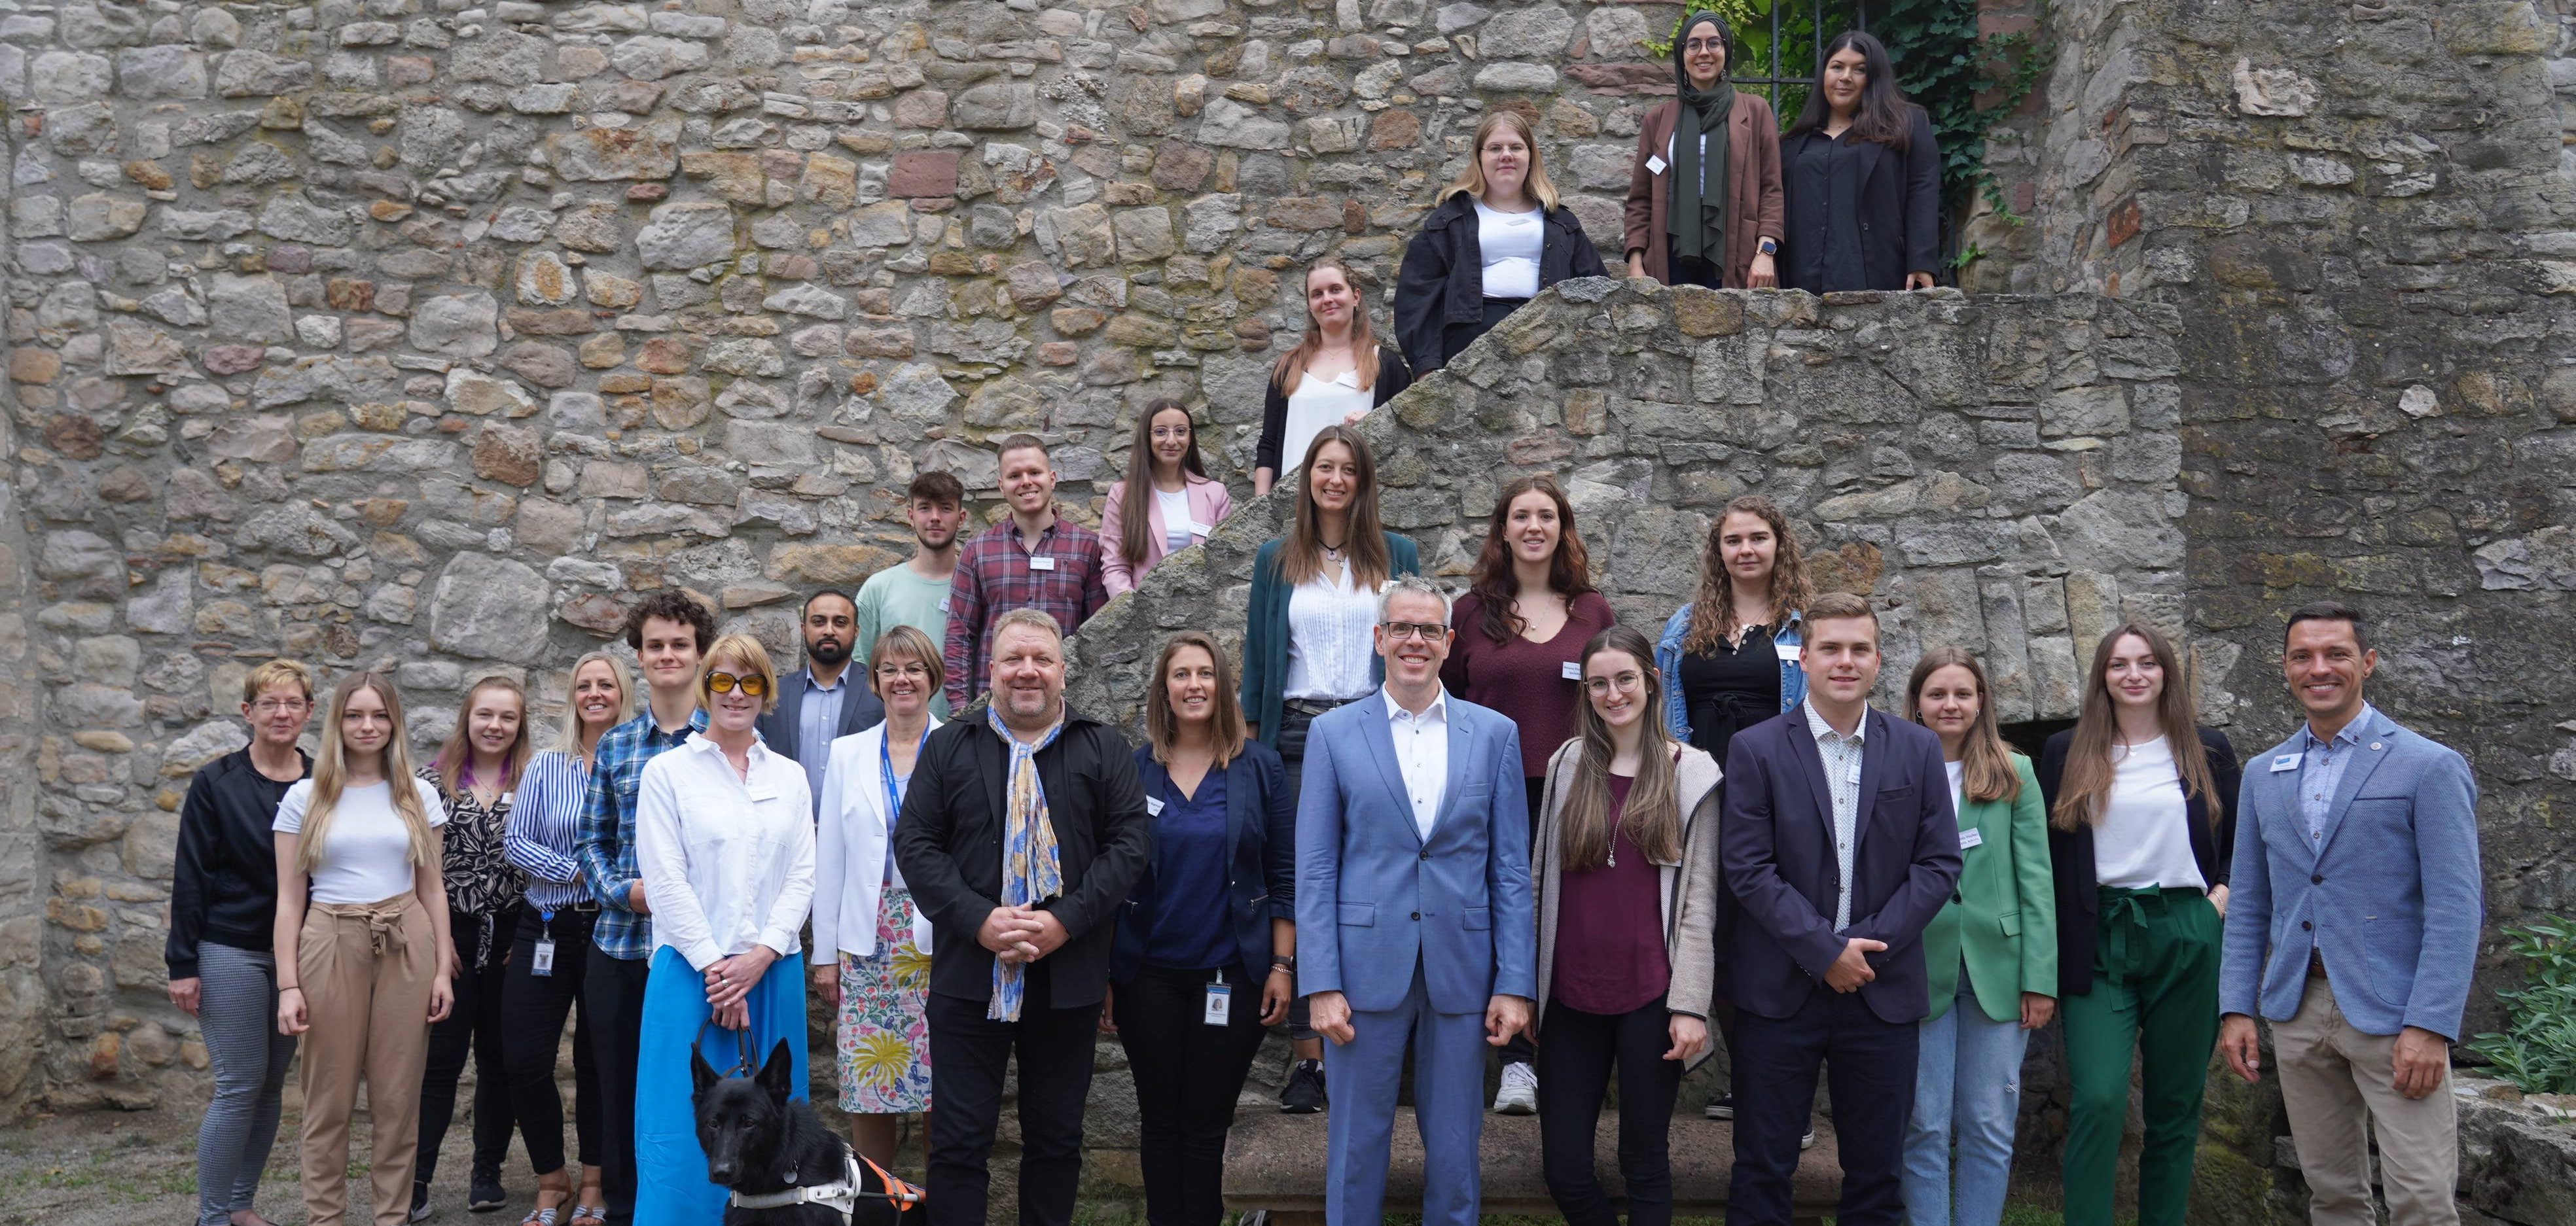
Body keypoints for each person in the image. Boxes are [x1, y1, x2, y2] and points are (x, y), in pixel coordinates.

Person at [2219, 603, 2482, 1226]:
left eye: (2336, 654)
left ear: (2367, 663)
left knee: (2422, 1200)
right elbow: (2250, 902)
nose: (2319, 668)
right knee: (2332, 1196)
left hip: (2395, 1016)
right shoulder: (2262, 773)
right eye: (2303, 656)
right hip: (2298, 1010)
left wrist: (2430, 1024)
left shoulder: (2428, 765)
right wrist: (2236, 1007)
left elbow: (2455, 906)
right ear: (2285, 668)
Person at [891, 610, 1153, 1226]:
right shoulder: (950, 745)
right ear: (992, 669)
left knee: (1056, 1141)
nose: (1027, 671)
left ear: (1063, 670)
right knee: (957, 1143)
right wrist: (979, 920)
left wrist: (1066, 922)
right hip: (968, 976)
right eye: (1014, 659)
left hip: (1068, 978)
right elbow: (916, 845)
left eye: (1041, 659)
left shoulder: (1103, 747)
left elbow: (1130, 846)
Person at [1296, 574, 1535, 1226]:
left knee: (1456, 1152)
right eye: (1401, 627)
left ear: (1449, 641)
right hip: (1362, 970)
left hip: (1463, 968)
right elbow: (1315, 867)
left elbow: (1511, 868)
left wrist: (1515, 982)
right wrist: (1320, 981)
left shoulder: (1495, 734)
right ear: (1379, 638)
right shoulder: (1333, 734)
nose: (1415, 640)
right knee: (1355, 1146)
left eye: (1429, 629)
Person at [1719, 592, 1961, 1226]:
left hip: (1881, 987)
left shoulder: (1917, 748)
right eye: (1830, 648)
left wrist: (1866, 948)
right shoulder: (1756, 748)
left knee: (1878, 1178)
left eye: (1859, 649)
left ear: (1878, 660)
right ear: (1804, 658)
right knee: (1763, 1168)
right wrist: (1825, 951)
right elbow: (1747, 867)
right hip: (1779, 991)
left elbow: (1938, 864)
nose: (1845, 661)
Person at [1238, 423, 1420, 1112]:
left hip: (1376, 729)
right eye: (1324, 467)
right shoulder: (1275, 559)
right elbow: (1260, 659)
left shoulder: (1397, 554)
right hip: (1296, 734)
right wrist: (1251, 750)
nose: (1336, 479)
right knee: (1301, 885)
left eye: (1348, 468)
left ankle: (1383, 1047)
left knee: (1379, 881)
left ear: (1363, 480)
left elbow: (1411, 642)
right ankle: (1308, 1059)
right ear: (1307, 477)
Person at [2037, 621, 2242, 1226]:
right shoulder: (2067, 750)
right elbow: (2046, 851)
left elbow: (2241, 842)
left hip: (2186, 928)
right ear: (2102, 675)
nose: (2134, 674)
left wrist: (2220, 898)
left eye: (2148, 662)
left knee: (2175, 1107)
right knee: (2098, 1097)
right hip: (2098, 932)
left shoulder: (2206, 748)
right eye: (2120, 664)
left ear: (2166, 672)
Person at [1530, 626, 1723, 1226]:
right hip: (1569, 996)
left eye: (1624, 680)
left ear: (1652, 681)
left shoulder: (1694, 772)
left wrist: (1690, 1005)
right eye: (1598, 684)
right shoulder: (1567, 763)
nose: (1613, 695)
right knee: (1565, 1170)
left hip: (1651, 997)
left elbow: (1699, 903)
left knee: (1644, 1161)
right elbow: (1538, 882)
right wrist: (1522, 986)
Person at [1105, 631, 1298, 1226]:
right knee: (1160, 1119)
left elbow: (1284, 873)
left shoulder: (1259, 767)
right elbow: (1108, 876)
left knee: (1208, 1120)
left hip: (1232, 976)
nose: (1194, 685)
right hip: (1147, 977)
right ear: (1164, 689)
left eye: (1205, 673)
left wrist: (1281, 965)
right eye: (1182, 674)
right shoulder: (1132, 769)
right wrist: (1107, 976)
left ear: (1223, 686)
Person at [1438, 474, 1616, 1113]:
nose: (1534, 526)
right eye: (1522, 515)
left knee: (1570, 925)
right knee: (1501, 919)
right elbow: (1446, 702)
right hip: (1491, 792)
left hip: (1575, 792)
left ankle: (1562, 1060)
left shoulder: (1592, 611)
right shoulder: (1469, 612)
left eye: (1547, 515)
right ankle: (1515, 1062)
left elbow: (1615, 696)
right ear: (1503, 530)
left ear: (1563, 529)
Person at [632, 634, 817, 1226]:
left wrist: (758, 958)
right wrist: (719, 970)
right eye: (722, 681)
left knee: (772, 1134)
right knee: (678, 1133)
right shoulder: (667, 773)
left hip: (771, 972)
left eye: (751, 682)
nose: (736, 694)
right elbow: (665, 880)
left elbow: (803, 876)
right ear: (704, 687)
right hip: (692, 975)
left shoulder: (790, 776)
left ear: (767, 692)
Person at [1652, 495, 1812, 1123]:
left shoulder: (1802, 626)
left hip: (1778, 802)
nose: (1746, 549)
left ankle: (1785, 1099)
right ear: (1718, 551)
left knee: (1774, 941)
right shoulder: (1684, 626)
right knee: (1710, 936)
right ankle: (1749, 1086)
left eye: (1757, 538)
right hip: (1702, 796)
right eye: (1733, 540)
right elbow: (1666, 715)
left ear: (1779, 545)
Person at [273, 673, 454, 1226]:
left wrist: (442, 970)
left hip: (406, 938)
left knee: (397, 1098)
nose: (367, 726)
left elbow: (433, 888)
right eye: (355, 715)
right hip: (329, 937)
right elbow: (289, 900)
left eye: (379, 716)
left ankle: (391, 1217)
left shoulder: (418, 794)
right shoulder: (304, 796)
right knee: (327, 1098)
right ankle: (325, 1217)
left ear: (394, 723)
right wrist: (287, 985)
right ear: (337, 722)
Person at [1897, 648, 2056, 1226]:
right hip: (1918, 964)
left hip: (2001, 967)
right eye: (1937, 694)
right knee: (1924, 1122)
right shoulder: (1895, 769)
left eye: (1963, 693)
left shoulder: (2016, 772)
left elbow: (2037, 878)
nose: (1951, 705)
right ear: (1917, 703)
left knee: (1989, 1122)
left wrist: (2040, 978)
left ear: (1981, 701)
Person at [576, 589, 714, 1226]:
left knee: (690, 1087)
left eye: (680, 644)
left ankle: (687, 1206)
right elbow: (592, 841)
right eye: (655, 645)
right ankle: (627, 1208)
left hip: (693, 953)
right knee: (616, 1085)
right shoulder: (617, 745)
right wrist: (624, 891)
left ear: (700, 653)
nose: (667, 655)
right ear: (639, 655)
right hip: (620, 945)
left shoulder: (725, 739)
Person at [170, 659, 312, 1226]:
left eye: (293, 703)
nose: (282, 714)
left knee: (271, 1086)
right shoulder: (216, 782)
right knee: (239, 1084)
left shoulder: (322, 781)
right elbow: (191, 875)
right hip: (230, 948)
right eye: (269, 704)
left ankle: (239, 1206)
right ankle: (210, 1217)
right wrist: (182, 963)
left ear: (308, 712)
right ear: (248, 712)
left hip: (298, 956)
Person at [502, 652, 635, 1226]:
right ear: (573, 696)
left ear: (623, 693)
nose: (595, 693)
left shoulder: (636, 759)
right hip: (547, 926)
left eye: (606, 684)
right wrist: (584, 871)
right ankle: (551, 1178)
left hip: (611, 931)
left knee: (598, 1062)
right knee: (524, 1058)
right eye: (584, 685)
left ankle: (595, 1183)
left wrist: (600, 877)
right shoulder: (546, 766)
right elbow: (516, 842)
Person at [814, 625, 948, 1166]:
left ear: (933, 677)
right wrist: (826, 955)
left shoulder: (959, 747)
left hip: (942, 936)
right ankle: (875, 1198)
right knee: (869, 1082)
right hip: (867, 940)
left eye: (914, 668)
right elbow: (830, 860)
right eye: (890, 669)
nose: (902, 679)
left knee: (944, 1082)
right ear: (875, 681)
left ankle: (943, 1201)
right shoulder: (847, 754)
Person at [414, 676, 533, 1220]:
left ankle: (487, 1173)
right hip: (450, 937)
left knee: (499, 1062)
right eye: (485, 714)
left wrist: (527, 932)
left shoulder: (533, 782)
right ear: (467, 718)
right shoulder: (429, 783)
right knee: (440, 1063)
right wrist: (438, 941)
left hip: (511, 937)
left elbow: (544, 860)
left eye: (507, 717)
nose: (495, 726)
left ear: (520, 725)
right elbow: (416, 870)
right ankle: (417, 1179)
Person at [1393, 109, 1609, 374]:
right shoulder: (1450, 220)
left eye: (1516, 147)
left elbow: (1597, 288)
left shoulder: (1562, 222)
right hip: (1472, 341)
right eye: (1495, 148)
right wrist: (1427, 367)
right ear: (1480, 157)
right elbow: (1417, 295)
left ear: (1530, 156)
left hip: (1549, 340)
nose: (1506, 155)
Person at [942, 434, 1110, 712]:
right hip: (993, 707)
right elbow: (959, 635)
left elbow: (1099, 635)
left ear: (1052, 479)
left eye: (1034, 472)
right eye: (1014, 476)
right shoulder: (978, 551)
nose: (1026, 482)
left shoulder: (1087, 548)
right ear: (1001, 486)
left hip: (1067, 707)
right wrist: (961, 708)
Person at [1622, 11, 1785, 290]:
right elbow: (1641, 199)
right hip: (1671, 251)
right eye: (1694, 44)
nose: (1704, 52)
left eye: (1714, 43)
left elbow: (1771, 189)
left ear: (1726, 51)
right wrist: (1636, 262)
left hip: (1737, 248)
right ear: (1682, 54)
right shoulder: (1658, 120)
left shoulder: (1755, 111)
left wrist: (1766, 251)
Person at [1778, 30, 1942, 294]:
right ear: (1824, 74)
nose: (1846, 77)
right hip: (1801, 285)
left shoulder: (1907, 125)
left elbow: (1922, 190)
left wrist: (1921, 261)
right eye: (1837, 67)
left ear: (1874, 77)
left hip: (1880, 277)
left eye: (1859, 70)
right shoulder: (1793, 143)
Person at [1254, 258, 1413, 496]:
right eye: (1317, 294)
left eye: (1336, 289)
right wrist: (1261, 503)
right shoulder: (1288, 367)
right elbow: (1269, 444)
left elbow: (1406, 440)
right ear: (1310, 306)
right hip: (1293, 502)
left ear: (1356, 297)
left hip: (1357, 501)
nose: (1327, 299)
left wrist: (1375, 426)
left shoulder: (1385, 365)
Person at [756, 587, 887, 813]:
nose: (829, 631)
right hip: (790, 826)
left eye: (840, 623)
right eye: (819, 622)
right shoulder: (773, 694)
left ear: (856, 631)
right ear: (803, 629)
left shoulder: (880, 690)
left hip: (856, 828)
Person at [855, 469, 968, 719]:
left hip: (964, 727)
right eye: (925, 508)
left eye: (945, 509)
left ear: (961, 518)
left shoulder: (976, 586)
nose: (935, 518)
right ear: (910, 516)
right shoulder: (878, 588)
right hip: (896, 728)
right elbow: (862, 669)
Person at [1102, 399, 1232, 595]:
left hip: (1201, 606)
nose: (1171, 440)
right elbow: (1115, 567)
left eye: (1180, 431)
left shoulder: (1215, 493)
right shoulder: (1122, 495)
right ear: (1147, 437)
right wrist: (1134, 609)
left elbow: (1224, 561)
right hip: (1143, 607)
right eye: (1161, 432)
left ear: (1190, 437)